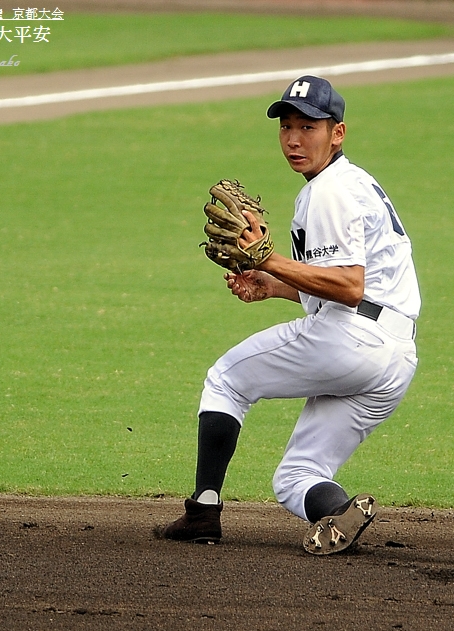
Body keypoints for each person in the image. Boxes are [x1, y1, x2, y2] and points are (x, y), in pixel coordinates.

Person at [160, 75, 421, 555]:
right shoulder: (355, 182)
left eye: (308, 127)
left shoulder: (328, 192)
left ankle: (202, 511)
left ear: (336, 133)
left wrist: (268, 259)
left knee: (226, 380)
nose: (294, 139)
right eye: (286, 128)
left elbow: (349, 287)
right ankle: (339, 513)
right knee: (296, 477)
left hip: (350, 340)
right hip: (394, 359)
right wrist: (276, 286)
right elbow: (354, 289)